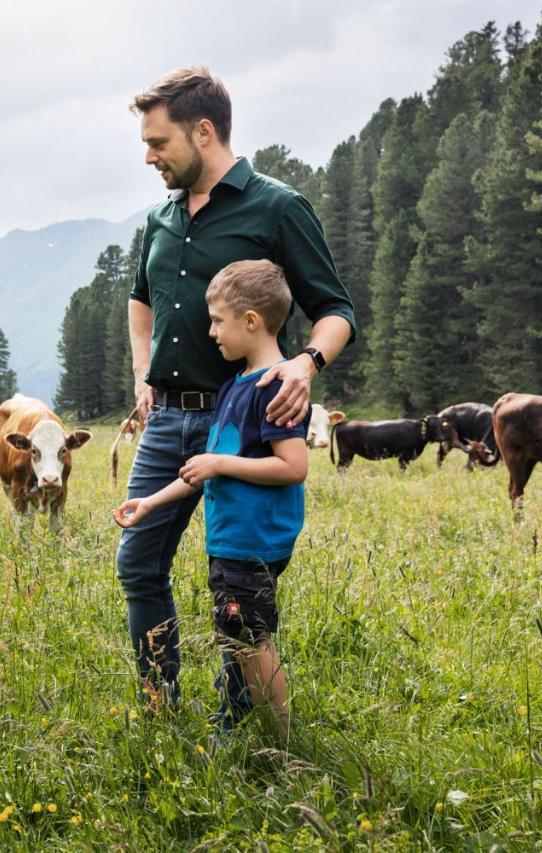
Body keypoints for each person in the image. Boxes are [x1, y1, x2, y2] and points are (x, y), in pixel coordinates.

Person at [116, 66, 354, 717]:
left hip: (243, 427)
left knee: (236, 578)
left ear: (203, 130)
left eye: (159, 142)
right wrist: (142, 373)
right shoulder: (161, 218)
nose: (148, 156)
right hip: (166, 422)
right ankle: (159, 703)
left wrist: (305, 364)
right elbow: (141, 303)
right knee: (138, 562)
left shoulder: (277, 207)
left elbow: (336, 311)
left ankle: (241, 722)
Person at [116, 259, 307, 734]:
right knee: (239, 636)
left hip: (253, 543)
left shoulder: (275, 387)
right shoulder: (233, 388)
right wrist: (151, 503)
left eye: (218, 320)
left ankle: (280, 742)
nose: (211, 331)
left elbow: (293, 466)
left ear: (251, 321)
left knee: (252, 641)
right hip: (231, 542)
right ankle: (245, 729)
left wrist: (220, 463)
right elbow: (201, 470)